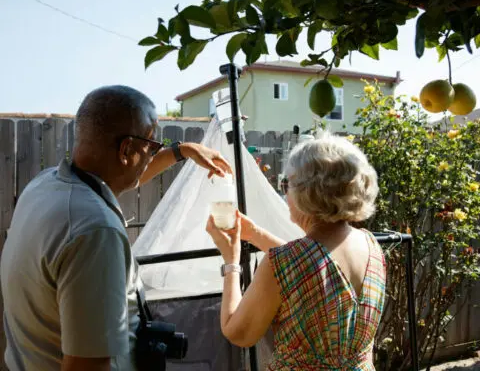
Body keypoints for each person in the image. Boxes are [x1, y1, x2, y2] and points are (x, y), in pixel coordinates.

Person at [0, 85, 231, 371]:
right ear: (125, 150)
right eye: (151, 146)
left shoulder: (45, 186)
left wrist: (182, 151)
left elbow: (129, 174)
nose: (152, 154)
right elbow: (87, 366)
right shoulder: (95, 231)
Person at [206, 131, 386, 370]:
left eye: (286, 183)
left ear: (308, 191)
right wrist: (255, 234)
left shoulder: (283, 262)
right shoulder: (371, 246)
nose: (284, 192)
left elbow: (238, 332)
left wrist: (231, 260)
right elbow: (319, 269)